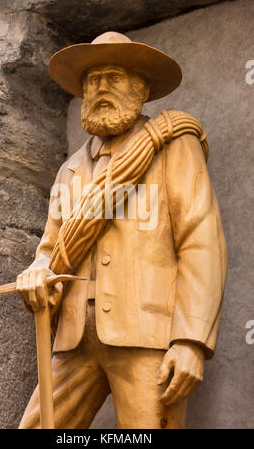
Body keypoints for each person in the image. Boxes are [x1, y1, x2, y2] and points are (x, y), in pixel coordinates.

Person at [17, 32, 227, 429]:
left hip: (147, 337)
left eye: (112, 78)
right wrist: (37, 271)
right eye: (92, 81)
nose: (100, 89)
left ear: (141, 88)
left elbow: (201, 243)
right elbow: (50, 249)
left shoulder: (174, 150)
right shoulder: (71, 170)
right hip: (75, 341)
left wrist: (190, 341)